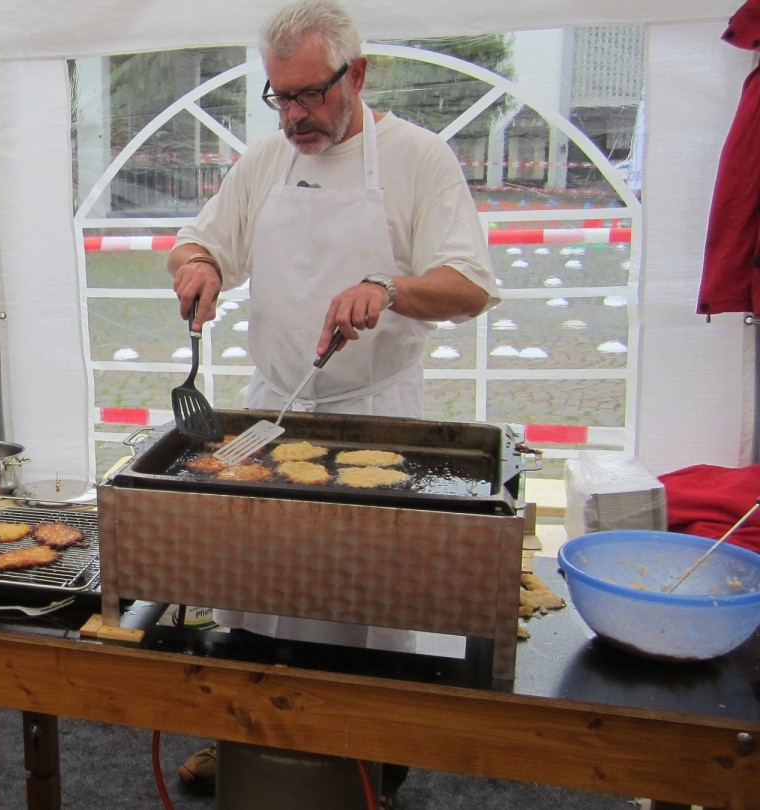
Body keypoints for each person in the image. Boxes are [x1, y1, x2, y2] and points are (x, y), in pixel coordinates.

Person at [167, 0, 500, 800]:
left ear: (356, 73)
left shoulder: (418, 159)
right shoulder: (266, 161)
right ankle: (241, 735)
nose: (292, 117)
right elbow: (201, 237)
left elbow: (471, 286)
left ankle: (371, 748)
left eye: (309, 95)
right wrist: (197, 268)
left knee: (367, 589)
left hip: (378, 412)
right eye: (278, 98)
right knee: (254, 578)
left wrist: (389, 286)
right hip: (270, 407)